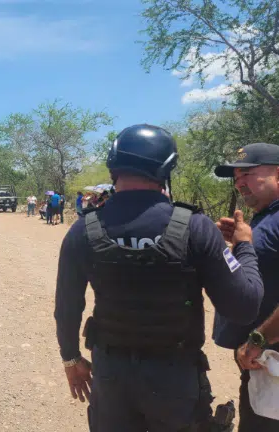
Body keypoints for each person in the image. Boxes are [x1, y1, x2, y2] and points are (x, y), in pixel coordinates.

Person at [55, 124, 264, 431]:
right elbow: (244, 307)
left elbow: (67, 306)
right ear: (166, 168)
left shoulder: (83, 229)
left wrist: (71, 359)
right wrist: (243, 247)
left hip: (112, 377)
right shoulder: (195, 226)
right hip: (174, 379)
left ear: (114, 167)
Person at [213, 143, 279, 431]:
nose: (239, 183)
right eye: (237, 177)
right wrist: (240, 246)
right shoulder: (266, 216)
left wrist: (258, 340)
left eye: (248, 174)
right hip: (262, 364)